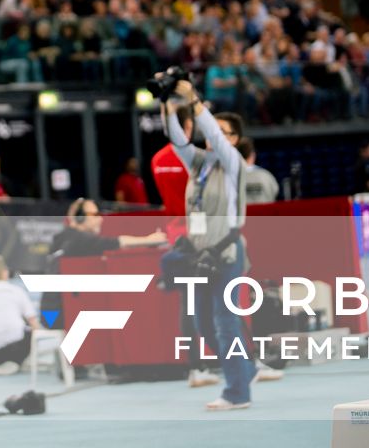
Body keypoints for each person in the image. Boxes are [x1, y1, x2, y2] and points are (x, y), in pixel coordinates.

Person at [164, 75, 256, 411]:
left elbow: (213, 135)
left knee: (224, 320)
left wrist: (194, 100)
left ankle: (237, 391)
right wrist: (169, 104)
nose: (216, 136)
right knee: (204, 323)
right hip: (202, 254)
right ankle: (245, 369)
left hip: (227, 252)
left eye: (225, 132)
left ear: (235, 140)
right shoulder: (199, 165)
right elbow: (177, 142)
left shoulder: (233, 165)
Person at [49, 198, 168, 260]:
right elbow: (119, 242)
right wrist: (149, 239)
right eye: (95, 215)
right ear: (80, 218)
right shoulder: (80, 239)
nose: (100, 219)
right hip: (61, 305)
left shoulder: (64, 237)